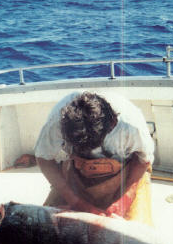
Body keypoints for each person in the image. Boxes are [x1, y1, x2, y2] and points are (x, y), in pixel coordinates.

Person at [34, 91, 155, 224]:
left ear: (113, 122)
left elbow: (143, 161)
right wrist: (75, 201)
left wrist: (123, 202)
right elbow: (44, 158)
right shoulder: (58, 121)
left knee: (136, 228)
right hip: (76, 170)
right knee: (46, 225)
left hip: (126, 171)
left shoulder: (132, 125)